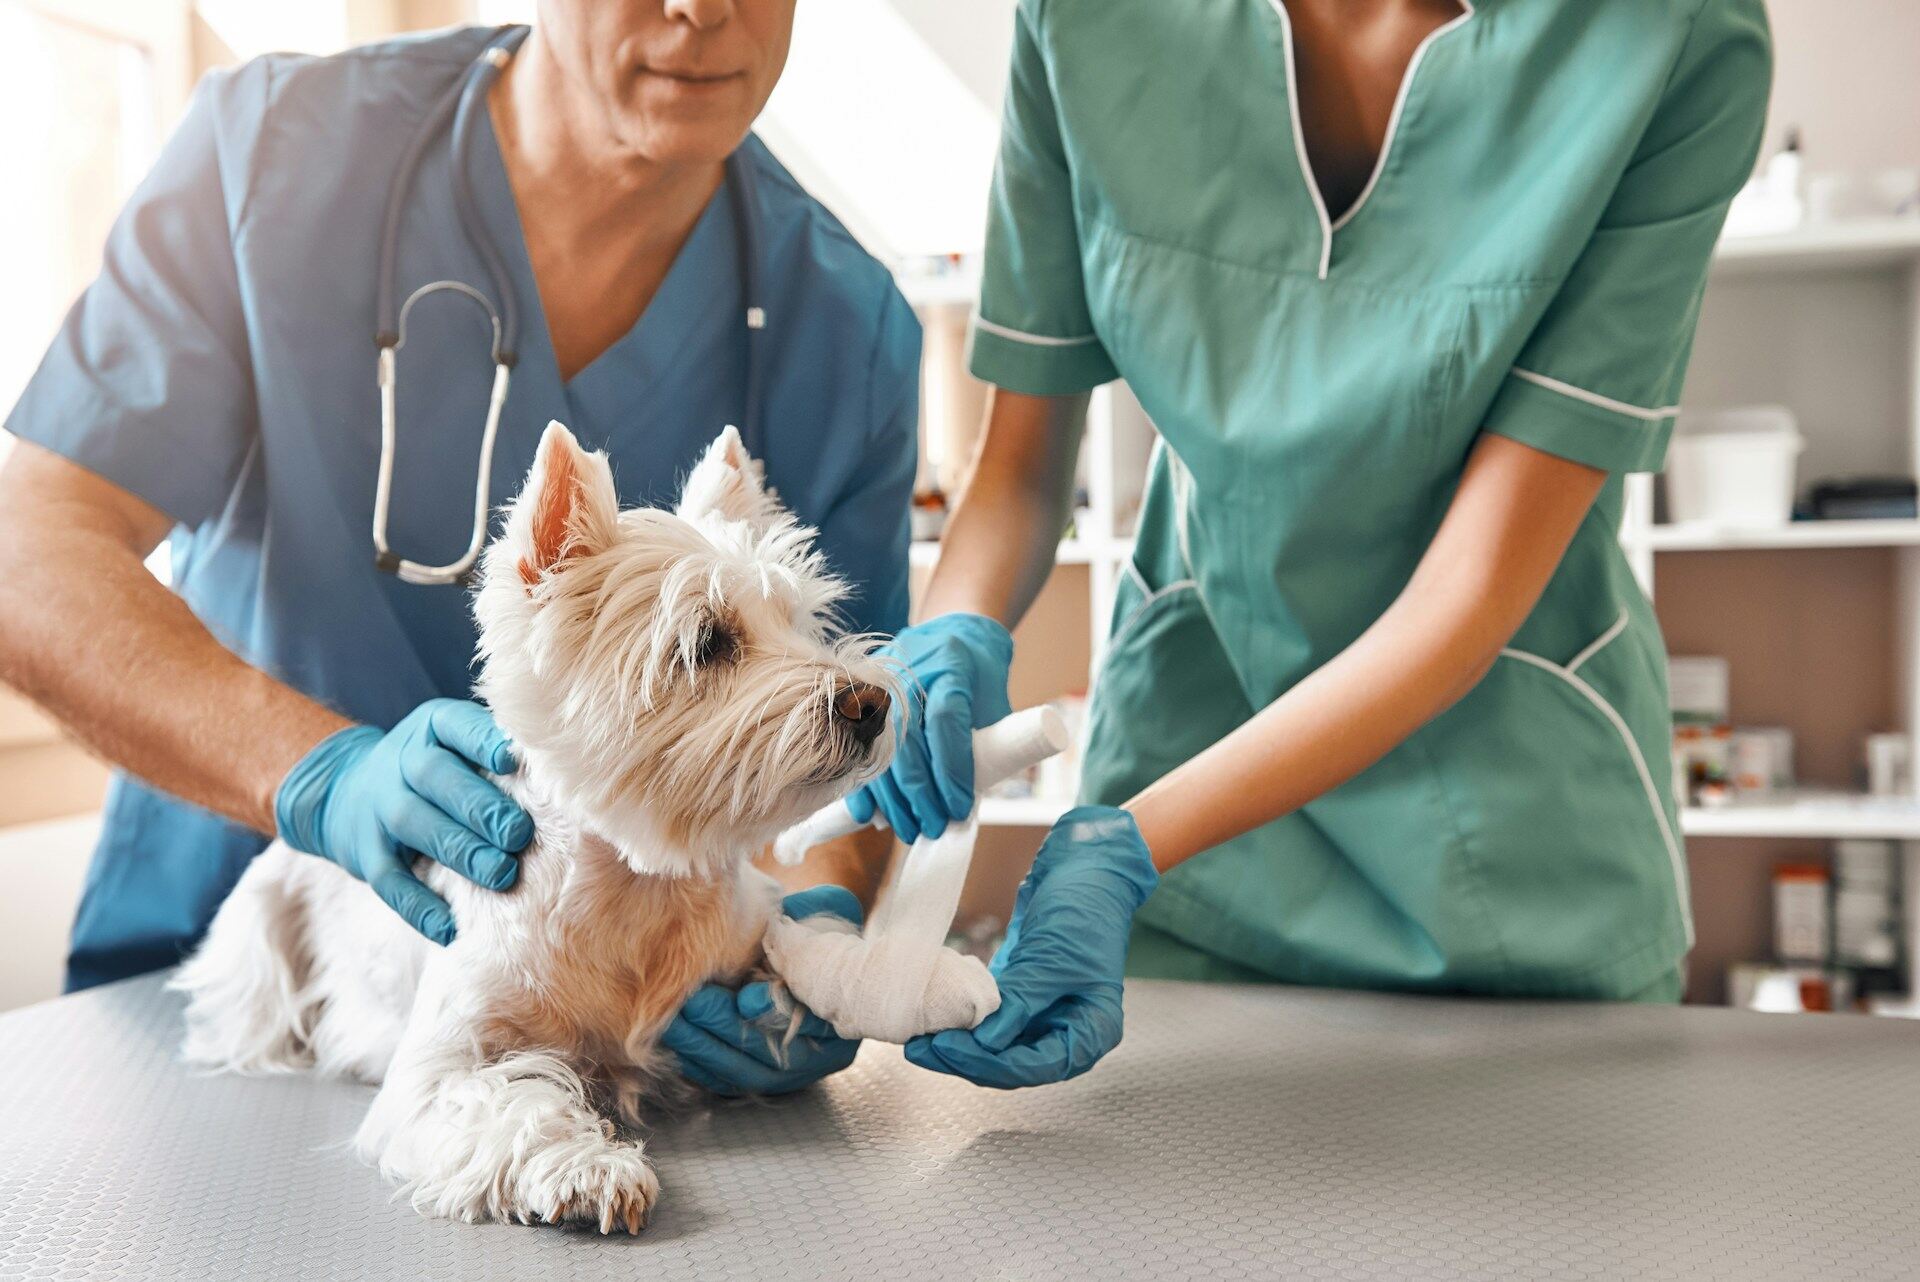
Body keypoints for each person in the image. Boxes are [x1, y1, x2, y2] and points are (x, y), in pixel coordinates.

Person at [0, 0, 913, 1096]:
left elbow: (848, 758)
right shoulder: (275, 155)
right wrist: (316, 777)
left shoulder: (846, 326)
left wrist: (817, 927)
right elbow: (26, 551)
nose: (703, 9)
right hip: (245, 996)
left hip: (625, 1039)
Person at [855, 0, 1772, 1089]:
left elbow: (1466, 593)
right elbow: (1016, 471)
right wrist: (950, 630)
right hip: (1194, 831)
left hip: (1516, 864)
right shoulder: (1089, 20)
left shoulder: (1669, 37)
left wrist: (1126, 846)